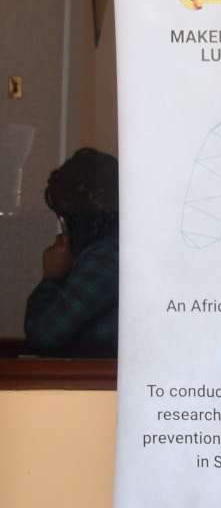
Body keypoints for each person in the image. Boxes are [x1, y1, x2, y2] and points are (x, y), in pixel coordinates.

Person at [25, 148, 120, 356]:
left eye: (64, 215)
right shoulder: (114, 247)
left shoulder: (104, 256)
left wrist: (51, 277)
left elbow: (43, 335)